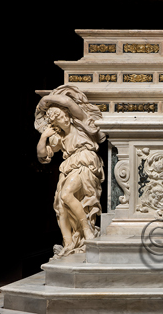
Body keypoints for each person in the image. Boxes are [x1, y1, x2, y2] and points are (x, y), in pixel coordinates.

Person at [35, 85, 105, 259]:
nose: (63, 119)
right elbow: (42, 156)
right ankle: (68, 244)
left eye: (62, 115)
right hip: (68, 165)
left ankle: (87, 230)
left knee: (66, 195)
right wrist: (44, 137)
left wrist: (45, 101)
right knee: (60, 205)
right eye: (57, 118)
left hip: (85, 162)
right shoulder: (59, 138)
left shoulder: (80, 124)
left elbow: (67, 101)